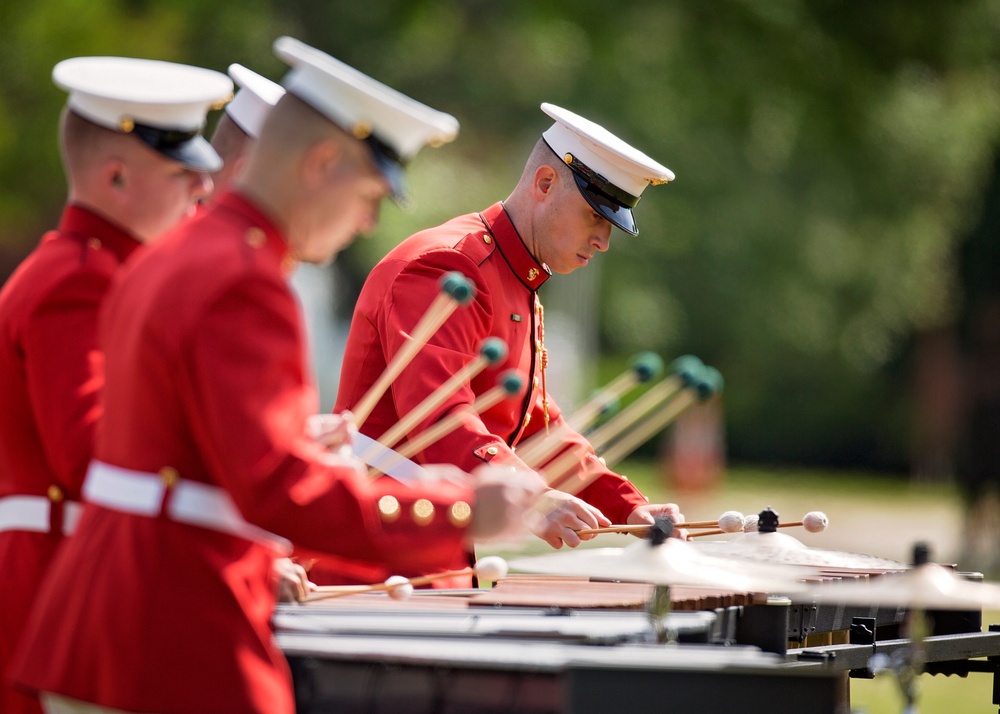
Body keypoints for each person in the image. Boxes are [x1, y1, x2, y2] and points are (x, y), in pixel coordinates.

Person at [11, 37, 529, 714]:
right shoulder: (245, 280)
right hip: (176, 624)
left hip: (118, 621)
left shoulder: (174, 254)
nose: (369, 219)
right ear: (321, 164)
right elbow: (278, 491)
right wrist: (458, 509)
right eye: (372, 193)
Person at [332, 102, 684, 586]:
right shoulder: (447, 268)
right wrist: (534, 498)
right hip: (372, 559)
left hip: (433, 557)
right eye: (593, 217)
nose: (603, 241)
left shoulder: (518, 281)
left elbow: (540, 431)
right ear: (544, 185)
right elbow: (439, 420)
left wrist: (632, 508)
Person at [0, 56, 232, 714]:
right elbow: (94, 458)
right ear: (116, 175)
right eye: (184, 171)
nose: (203, 191)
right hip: (57, 586)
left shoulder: (104, 277)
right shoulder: (81, 282)